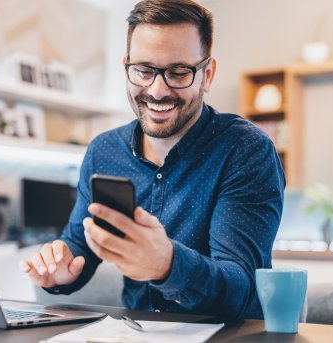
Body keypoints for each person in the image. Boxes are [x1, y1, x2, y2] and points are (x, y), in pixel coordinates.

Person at [21, 0, 285, 320]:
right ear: (126, 66)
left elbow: (242, 288)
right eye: (144, 71)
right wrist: (60, 270)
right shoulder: (104, 151)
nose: (157, 91)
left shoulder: (245, 150)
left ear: (207, 75)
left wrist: (167, 265)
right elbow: (80, 244)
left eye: (178, 72)